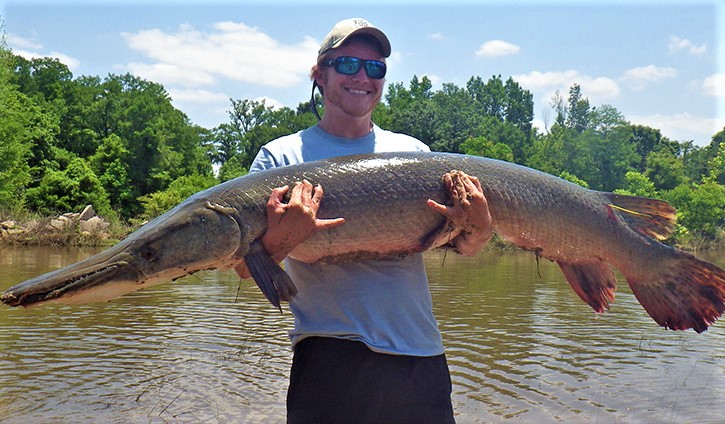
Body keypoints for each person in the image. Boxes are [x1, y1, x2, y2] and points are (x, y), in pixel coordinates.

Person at [235, 18, 493, 424]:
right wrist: (280, 241)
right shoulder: (279, 159)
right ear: (319, 74)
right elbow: (242, 267)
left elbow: (462, 247)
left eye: (375, 68)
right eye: (348, 64)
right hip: (329, 357)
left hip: (420, 356)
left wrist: (479, 229)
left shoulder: (414, 153)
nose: (362, 77)